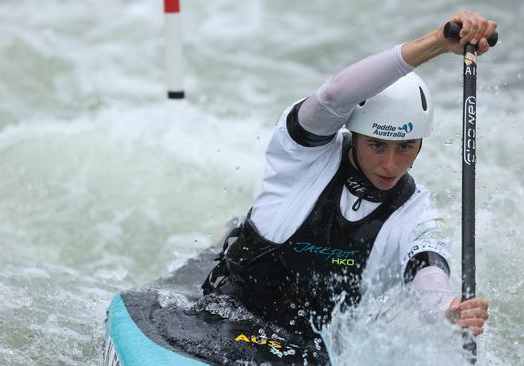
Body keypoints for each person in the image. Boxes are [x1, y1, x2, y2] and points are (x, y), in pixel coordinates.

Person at [203, 10, 495, 338]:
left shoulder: (416, 212)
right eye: (377, 145)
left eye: (405, 147)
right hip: (225, 310)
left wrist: (448, 311)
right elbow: (335, 93)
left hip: (304, 345)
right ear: (354, 133)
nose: (391, 164)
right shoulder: (302, 154)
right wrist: (437, 43)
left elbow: (428, 276)